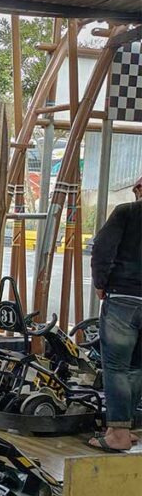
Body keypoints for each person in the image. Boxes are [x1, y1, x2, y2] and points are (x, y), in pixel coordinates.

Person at [88, 174, 142, 452]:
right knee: (137, 367)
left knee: (117, 367)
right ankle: (124, 427)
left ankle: (118, 434)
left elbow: (102, 249)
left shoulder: (126, 212)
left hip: (123, 298)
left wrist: (101, 283)